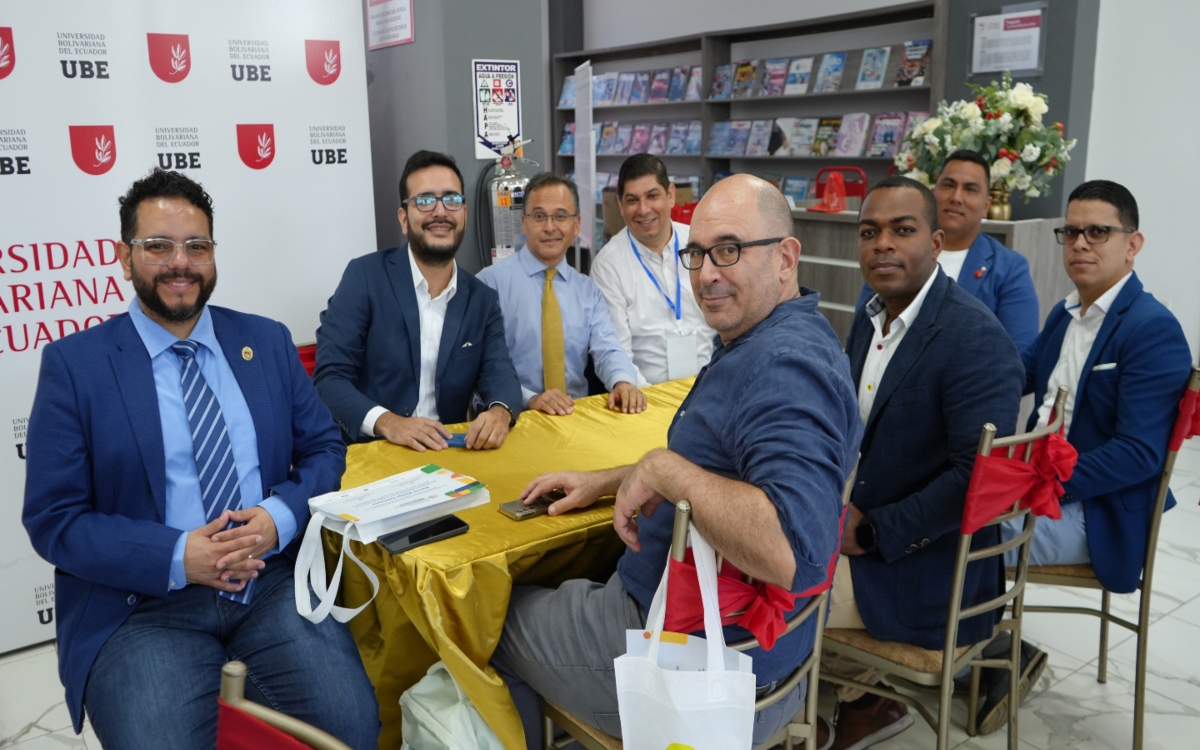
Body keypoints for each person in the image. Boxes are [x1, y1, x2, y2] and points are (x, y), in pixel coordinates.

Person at [491, 174, 862, 749]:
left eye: (730, 251)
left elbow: (795, 551)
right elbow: (725, 468)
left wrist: (664, 470)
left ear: (787, 258)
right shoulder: (785, 337)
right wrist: (615, 480)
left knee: (490, 619)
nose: (708, 272)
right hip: (768, 654)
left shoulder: (782, 368)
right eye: (697, 254)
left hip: (699, 663)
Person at [21, 168, 378, 750]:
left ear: (213, 254)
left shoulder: (265, 342)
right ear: (124, 256)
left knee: (351, 729)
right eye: (157, 246)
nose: (179, 263)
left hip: (266, 585)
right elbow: (55, 520)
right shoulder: (76, 365)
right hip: (142, 606)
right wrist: (176, 554)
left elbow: (323, 447)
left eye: (197, 246)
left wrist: (278, 519)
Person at [827, 176, 1025, 748]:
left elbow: (976, 481)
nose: (882, 244)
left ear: (937, 243)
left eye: (902, 230)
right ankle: (852, 697)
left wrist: (867, 531)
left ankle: (813, 709)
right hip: (865, 512)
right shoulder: (868, 317)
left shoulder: (974, 339)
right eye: (869, 232)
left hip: (928, 565)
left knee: (768, 577)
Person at [1000, 179, 1192, 701]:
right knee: (932, 501)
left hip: (1097, 508)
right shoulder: (1066, 312)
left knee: (960, 535)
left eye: (1098, 232)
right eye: (1072, 231)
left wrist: (1032, 488)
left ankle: (985, 661)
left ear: (1133, 244)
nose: (1080, 243)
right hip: (1036, 481)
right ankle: (969, 647)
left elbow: (1138, 454)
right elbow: (1019, 371)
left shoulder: (1151, 328)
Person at [315, 150, 522, 450]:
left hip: (448, 455)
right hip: (372, 451)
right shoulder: (365, 277)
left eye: (451, 199)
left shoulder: (482, 299)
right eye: (425, 200)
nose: (440, 212)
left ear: (464, 213)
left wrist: (500, 412)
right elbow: (329, 379)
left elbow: (500, 374)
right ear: (404, 217)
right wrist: (390, 423)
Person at [477, 172, 646, 416]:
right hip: (514, 416)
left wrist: (622, 382)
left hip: (575, 417)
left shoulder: (588, 291)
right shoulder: (489, 284)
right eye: (539, 216)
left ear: (576, 224)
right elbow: (482, 366)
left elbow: (608, 349)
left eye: (560, 216)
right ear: (523, 223)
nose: (550, 227)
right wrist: (530, 399)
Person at [857, 150, 1039, 351]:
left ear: (986, 204)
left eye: (970, 189)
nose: (956, 197)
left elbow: (1018, 353)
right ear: (933, 192)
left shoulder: (1009, 268)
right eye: (948, 185)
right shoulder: (895, 255)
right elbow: (863, 333)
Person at [590, 154, 716, 385]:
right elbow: (615, 352)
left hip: (712, 385)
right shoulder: (608, 266)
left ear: (670, 195)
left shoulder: (700, 244)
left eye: (652, 196)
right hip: (647, 397)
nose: (643, 209)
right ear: (620, 204)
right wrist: (648, 402)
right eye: (632, 200)